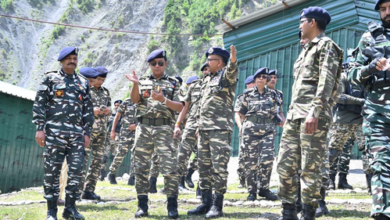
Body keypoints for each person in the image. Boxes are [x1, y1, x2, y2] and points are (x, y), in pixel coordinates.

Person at [277, 7, 343, 220]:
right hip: (295, 115)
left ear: (312, 22)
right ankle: (288, 213)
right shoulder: (306, 50)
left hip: (312, 117)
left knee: (309, 169)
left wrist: (315, 111)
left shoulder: (327, 46)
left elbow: (327, 81)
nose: (299, 25)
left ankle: (308, 214)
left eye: (302, 21)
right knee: (285, 166)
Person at [32, 47, 94, 220]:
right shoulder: (50, 79)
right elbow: (39, 104)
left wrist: (87, 132)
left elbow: (88, 110)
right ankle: (51, 212)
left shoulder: (83, 82)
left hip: (76, 136)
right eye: (68, 58)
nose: (72, 61)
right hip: (54, 134)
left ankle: (70, 209)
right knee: (52, 173)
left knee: (76, 172)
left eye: (74, 58)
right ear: (61, 60)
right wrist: (39, 128)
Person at [125, 49, 183, 218]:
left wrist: (163, 100)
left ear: (165, 64)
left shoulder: (173, 83)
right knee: (141, 167)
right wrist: (135, 84)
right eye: (153, 63)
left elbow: (180, 107)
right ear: (149, 65)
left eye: (160, 63)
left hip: (164, 129)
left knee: (170, 168)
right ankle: (142, 206)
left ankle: (172, 206)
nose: (157, 66)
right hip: (143, 128)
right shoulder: (142, 81)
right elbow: (135, 100)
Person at [348, 1, 390, 218]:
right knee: (380, 162)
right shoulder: (369, 38)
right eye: (383, 9)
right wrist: (371, 67)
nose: (387, 13)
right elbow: (351, 75)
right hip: (378, 112)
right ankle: (382, 211)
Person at [188, 45, 238, 219]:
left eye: (211, 59)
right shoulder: (208, 79)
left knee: (218, 168)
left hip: (220, 129)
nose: (207, 62)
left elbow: (232, 71)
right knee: (204, 167)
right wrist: (198, 127)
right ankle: (205, 202)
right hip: (204, 130)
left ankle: (217, 205)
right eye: (208, 59)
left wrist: (232, 60)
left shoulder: (226, 77)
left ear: (220, 62)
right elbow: (203, 105)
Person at [235, 67, 281, 201]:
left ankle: (264, 189)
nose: (261, 78)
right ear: (255, 79)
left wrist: (281, 120)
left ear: (267, 80)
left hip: (268, 131)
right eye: (259, 76)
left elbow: (278, 111)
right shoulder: (246, 95)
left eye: (264, 77)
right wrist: (242, 127)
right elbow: (239, 113)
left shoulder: (274, 95)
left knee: (267, 159)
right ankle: (252, 191)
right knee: (250, 161)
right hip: (250, 132)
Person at [328, 61, 366, 191]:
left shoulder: (364, 80)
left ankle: (372, 185)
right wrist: (361, 101)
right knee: (334, 151)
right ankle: (328, 180)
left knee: (366, 151)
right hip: (342, 121)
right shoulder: (342, 78)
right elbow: (339, 97)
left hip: (360, 120)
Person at [175, 65, 209, 197]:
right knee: (182, 155)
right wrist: (178, 124)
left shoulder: (217, 85)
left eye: (208, 69)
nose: (206, 72)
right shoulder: (195, 86)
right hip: (191, 124)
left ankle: (201, 188)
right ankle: (179, 183)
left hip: (206, 125)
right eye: (204, 70)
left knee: (203, 156)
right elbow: (185, 107)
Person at [79, 66, 111, 200]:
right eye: (98, 79)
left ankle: (89, 190)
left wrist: (108, 110)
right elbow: (79, 106)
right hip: (87, 130)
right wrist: (93, 111)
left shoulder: (105, 92)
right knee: (82, 161)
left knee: (97, 162)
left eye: (103, 80)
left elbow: (109, 105)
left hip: (102, 131)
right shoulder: (85, 88)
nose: (100, 82)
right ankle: (77, 192)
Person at [107, 98, 137, 185]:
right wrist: (112, 131)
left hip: (139, 133)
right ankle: (112, 173)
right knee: (120, 153)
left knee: (135, 155)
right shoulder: (127, 101)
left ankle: (132, 177)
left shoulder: (145, 102)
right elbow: (117, 116)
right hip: (125, 133)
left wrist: (136, 125)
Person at [235, 75, 256, 189]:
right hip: (245, 129)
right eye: (253, 83)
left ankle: (255, 180)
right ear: (248, 84)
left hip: (257, 130)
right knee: (244, 154)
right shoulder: (242, 97)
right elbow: (237, 114)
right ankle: (242, 179)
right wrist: (241, 127)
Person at [100, 99, 123, 181]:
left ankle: (112, 175)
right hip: (108, 138)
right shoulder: (111, 115)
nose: (117, 107)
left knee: (115, 158)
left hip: (118, 138)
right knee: (104, 157)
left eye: (119, 105)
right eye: (115, 105)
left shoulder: (124, 116)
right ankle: (101, 175)